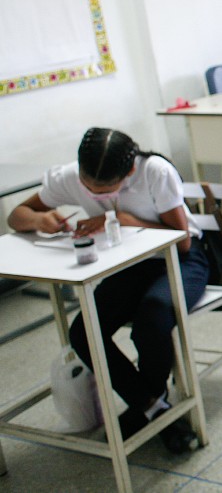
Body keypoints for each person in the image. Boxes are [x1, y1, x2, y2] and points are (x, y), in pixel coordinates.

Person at [7, 127, 208, 452]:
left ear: (129, 171)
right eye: (90, 187)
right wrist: (38, 220)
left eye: (106, 189)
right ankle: (155, 408)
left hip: (180, 259)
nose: (95, 193)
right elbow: (17, 216)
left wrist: (119, 218)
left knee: (153, 317)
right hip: (129, 262)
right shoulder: (69, 176)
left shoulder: (154, 172)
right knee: (84, 333)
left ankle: (147, 407)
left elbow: (182, 241)